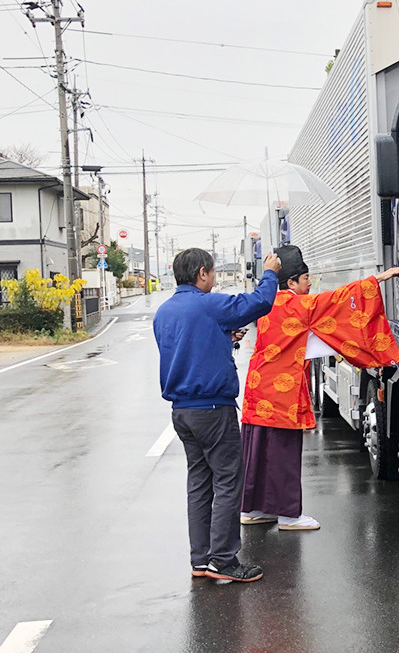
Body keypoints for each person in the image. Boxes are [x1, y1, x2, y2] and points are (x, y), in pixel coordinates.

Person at [240, 244, 399, 531]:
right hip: (282, 392)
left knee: (258, 450)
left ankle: (253, 509)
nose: (310, 283)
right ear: (290, 282)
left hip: (258, 386)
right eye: (305, 279)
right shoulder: (297, 306)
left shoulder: (265, 303)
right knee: (284, 454)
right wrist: (379, 278)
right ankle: (289, 515)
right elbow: (339, 299)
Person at [153, 247, 281, 583]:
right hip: (212, 407)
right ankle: (223, 560)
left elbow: (188, 348)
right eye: (211, 272)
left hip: (182, 411)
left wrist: (225, 336)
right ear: (201, 274)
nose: (212, 278)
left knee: (199, 482)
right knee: (227, 479)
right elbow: (258, 304)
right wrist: (270, 273)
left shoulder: (164, 312)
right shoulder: (208, 304)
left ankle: (201, 559)